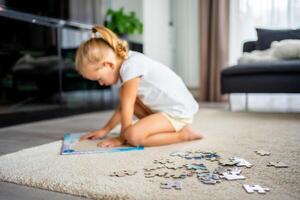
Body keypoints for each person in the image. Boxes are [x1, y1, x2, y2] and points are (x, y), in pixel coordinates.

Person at [77, 26, 203, 148]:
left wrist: (122, 138)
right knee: (124, 95)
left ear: (108, 64)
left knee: (133, 136)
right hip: (166, 110)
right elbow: (123, 108)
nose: (101, 83)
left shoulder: (131, 66)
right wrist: (105, 130)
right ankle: (163, 129)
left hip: (177, 112)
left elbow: (128, 106)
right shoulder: (128, 61)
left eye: (99, 78)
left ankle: (183, 135)